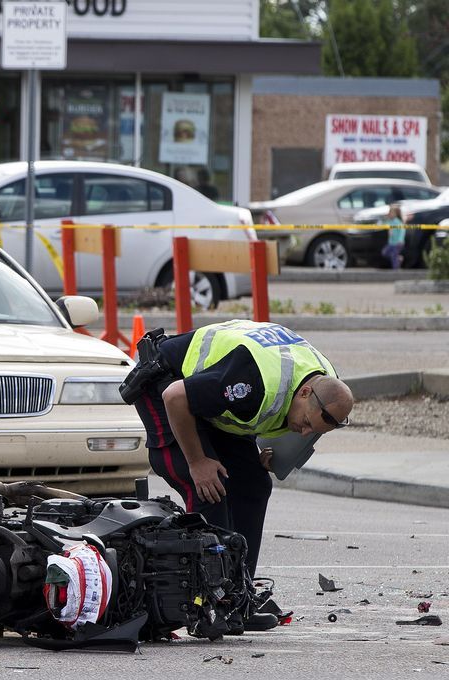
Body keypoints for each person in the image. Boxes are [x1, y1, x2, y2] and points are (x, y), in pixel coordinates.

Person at [122, 320, 354, 630]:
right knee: (209, 488)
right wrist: (197, 461)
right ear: (306, 392)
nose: (306, 432)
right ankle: (205, 607)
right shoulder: (253, 382)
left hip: (215, 398)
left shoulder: (324, 387)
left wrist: (275, 450)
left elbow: (276, 413)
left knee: (254, 485)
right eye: (308, 423)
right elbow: (177, 397)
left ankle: (236, 601)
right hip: (168, 384)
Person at [381, 204, 405, 270]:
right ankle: (398, 258)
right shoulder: (390, 221)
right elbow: (383, 224)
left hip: (398, 243)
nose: (390, 214)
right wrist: (384, 218)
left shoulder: (398, 222)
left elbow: (402, 231)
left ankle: (396, 269)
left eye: (391, 212)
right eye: (389, 212)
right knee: (385, 253)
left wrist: (400, 240)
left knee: (394, 256)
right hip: (391, 243)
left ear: (396, 214)